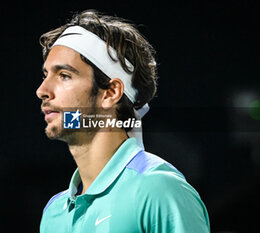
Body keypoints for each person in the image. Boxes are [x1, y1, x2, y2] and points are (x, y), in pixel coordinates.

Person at [36, 10, 210, 233]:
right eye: (46, 75)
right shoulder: (54, 212)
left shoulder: (159, 190)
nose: (42, 90)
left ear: (110, 93)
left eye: (64, 75)